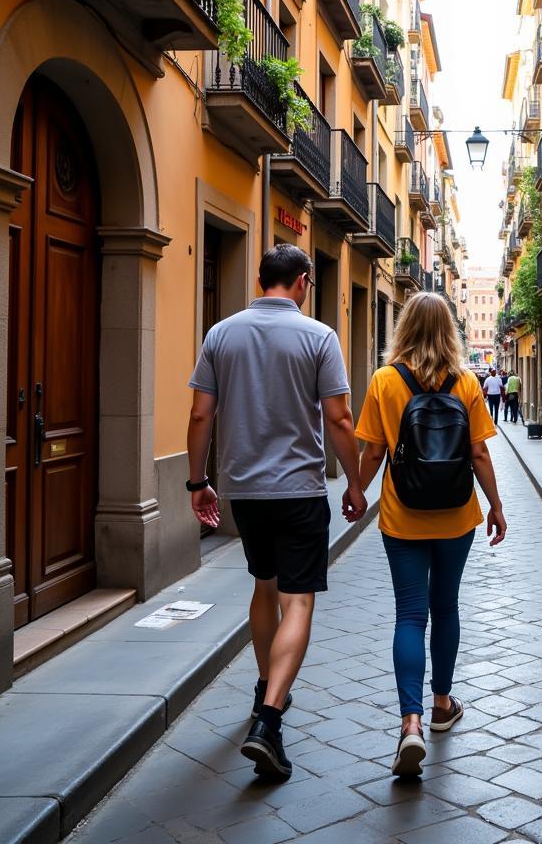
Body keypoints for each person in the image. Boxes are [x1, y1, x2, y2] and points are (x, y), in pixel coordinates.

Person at [186, 244, 367, 780]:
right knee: (299, 603)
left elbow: (200, 414)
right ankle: (269, 719)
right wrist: (356, 482)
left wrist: (198, 482)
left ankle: (267, 689)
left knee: (263, 589)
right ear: (304, 281)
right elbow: (339, 419)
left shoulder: (221, 334)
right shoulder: (319, 337)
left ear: (262, 279)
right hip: (300, 492)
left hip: (246, 493)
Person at [353, 293, 507, 777]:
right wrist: (496, 506)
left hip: (403, 517)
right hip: (457, 516)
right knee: (446, 608)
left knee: (410, 613)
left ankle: (410, 724)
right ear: (449, 331)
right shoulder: (465, 381)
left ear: (403, 328)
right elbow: (479, 453)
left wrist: (357, 491)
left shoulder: (384, 380)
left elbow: (374, 452)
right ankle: (442, 704)